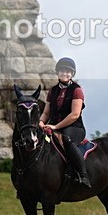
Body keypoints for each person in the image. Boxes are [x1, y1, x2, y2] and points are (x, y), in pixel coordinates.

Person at [39, 57, 92, 188]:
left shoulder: (76, 90)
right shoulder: (53, 91)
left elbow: (74, 115)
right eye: (62, 70)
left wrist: (56, 126)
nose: (65, 73)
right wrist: (40, 122)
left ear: (72, 74)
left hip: (74, 127)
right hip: (54, 126)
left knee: (66, 140)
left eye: (68, 71)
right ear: (58, 72)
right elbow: (46, 113)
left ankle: (83, 175)